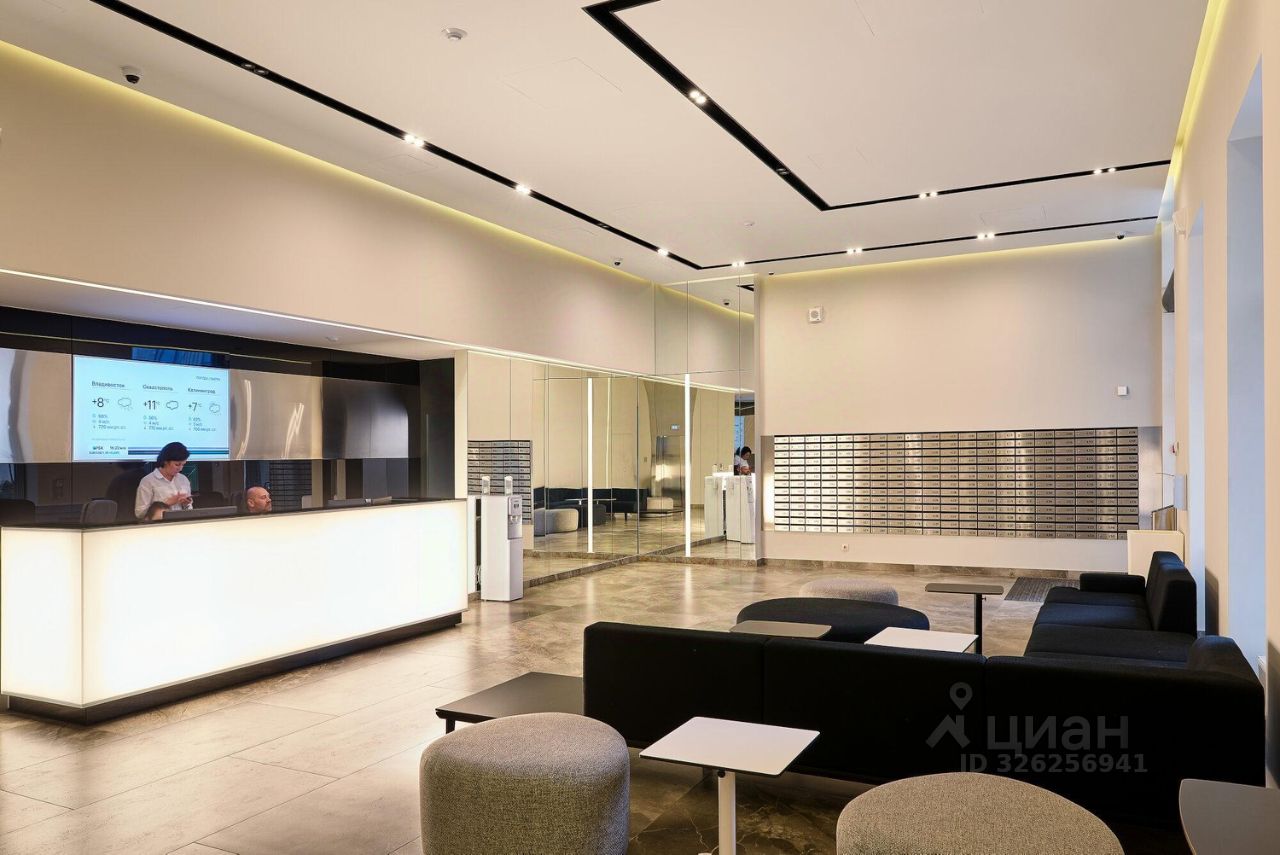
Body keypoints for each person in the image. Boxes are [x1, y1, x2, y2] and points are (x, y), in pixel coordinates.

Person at [134, 441, 193, 520]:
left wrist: (186, 504)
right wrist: (166, 504)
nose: (180, 468)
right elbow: (140, 513)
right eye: (177, 464)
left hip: (181, 523)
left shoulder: (183, 479)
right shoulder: (148, 481)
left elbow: (190, 509)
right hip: (159, 525)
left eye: (183, 464)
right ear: (165, 461)